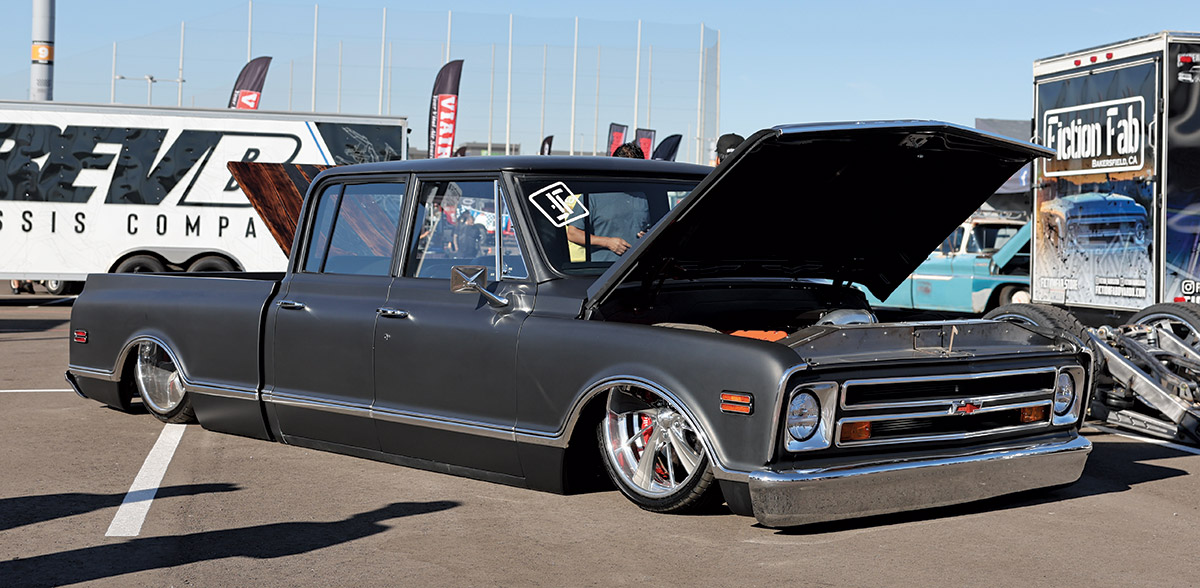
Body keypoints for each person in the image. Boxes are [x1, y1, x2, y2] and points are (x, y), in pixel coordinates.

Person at [566, 143, 650, 261]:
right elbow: (573, 233)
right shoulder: (592, 196)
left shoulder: (647, 195)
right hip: (604, 273)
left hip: (640, 271)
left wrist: (650, 236)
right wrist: (607, 242)